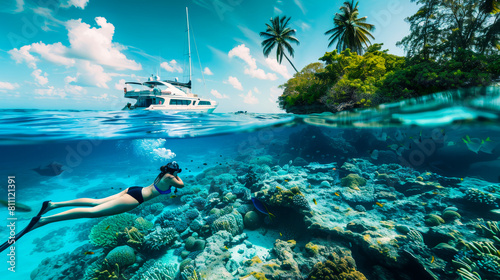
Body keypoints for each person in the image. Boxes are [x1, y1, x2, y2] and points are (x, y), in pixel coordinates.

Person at [0, 161, 184, 252]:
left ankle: (53, 204)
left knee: (96, 203)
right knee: (93, 212)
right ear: (172, 171)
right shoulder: (170, 178)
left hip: (134, 189)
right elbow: (181, 184)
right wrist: (176, 174)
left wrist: (172, 171)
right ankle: (44, 220)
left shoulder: (163, 175)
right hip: (136, 198)